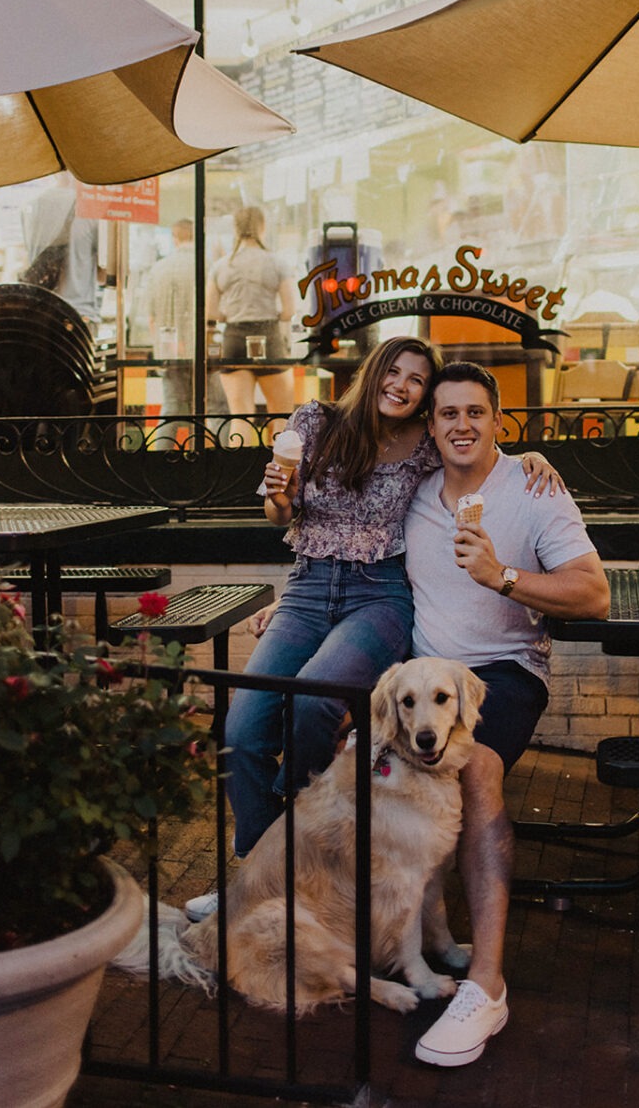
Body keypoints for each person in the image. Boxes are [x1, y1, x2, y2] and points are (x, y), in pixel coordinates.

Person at [185, 336, 563, 921]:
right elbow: (279, 513)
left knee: (313, 706)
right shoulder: (315, 422)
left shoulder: (424, 448)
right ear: (374, 371)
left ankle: (305, 853)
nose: (402, 385)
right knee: (242, 727)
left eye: (417, 379)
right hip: (309, 589)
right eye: (395, 371)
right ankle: (263, 876)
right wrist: (277, 498)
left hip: (379, 596)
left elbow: (482, 450)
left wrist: (535, 459)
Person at [403, 361, 610, 1068]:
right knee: (329, 730)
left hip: (504, 673)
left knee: (477, 769)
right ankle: (315, 911)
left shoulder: (533, 486)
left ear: (499, 422)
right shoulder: (414, 491)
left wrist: (505, 577)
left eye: (476, 413)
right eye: (448, 414)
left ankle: (485, 986)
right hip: (424, 672)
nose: (462, 425)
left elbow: (594, 594)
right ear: (429, 428)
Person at [206, 204, 297, 430]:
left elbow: (210, 312)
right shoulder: (277, 263)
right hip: (269, 336)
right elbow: (289, 310)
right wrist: (271, 314)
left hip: (234, 339)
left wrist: (230, 315)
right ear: (262, 227)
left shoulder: (221, 265)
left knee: (241, 416)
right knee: (281, 415)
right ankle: (281, 465)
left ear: (235, 230)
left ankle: (239, 465)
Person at [20, 172, 102, 328]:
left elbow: (30, 255)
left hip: (39, 310)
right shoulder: (89, 207)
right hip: (78, 313)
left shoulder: (31, 206)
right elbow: (104, 273)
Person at [145, 218, 195, 448]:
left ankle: (161, 464)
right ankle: (208, 460)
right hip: (200, 349)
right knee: (211, 409)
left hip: (169, 350)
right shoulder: (205, 265)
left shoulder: (158, 268)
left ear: (175, 238)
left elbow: (151, 318)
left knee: (172, 407)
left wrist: (164, 344)